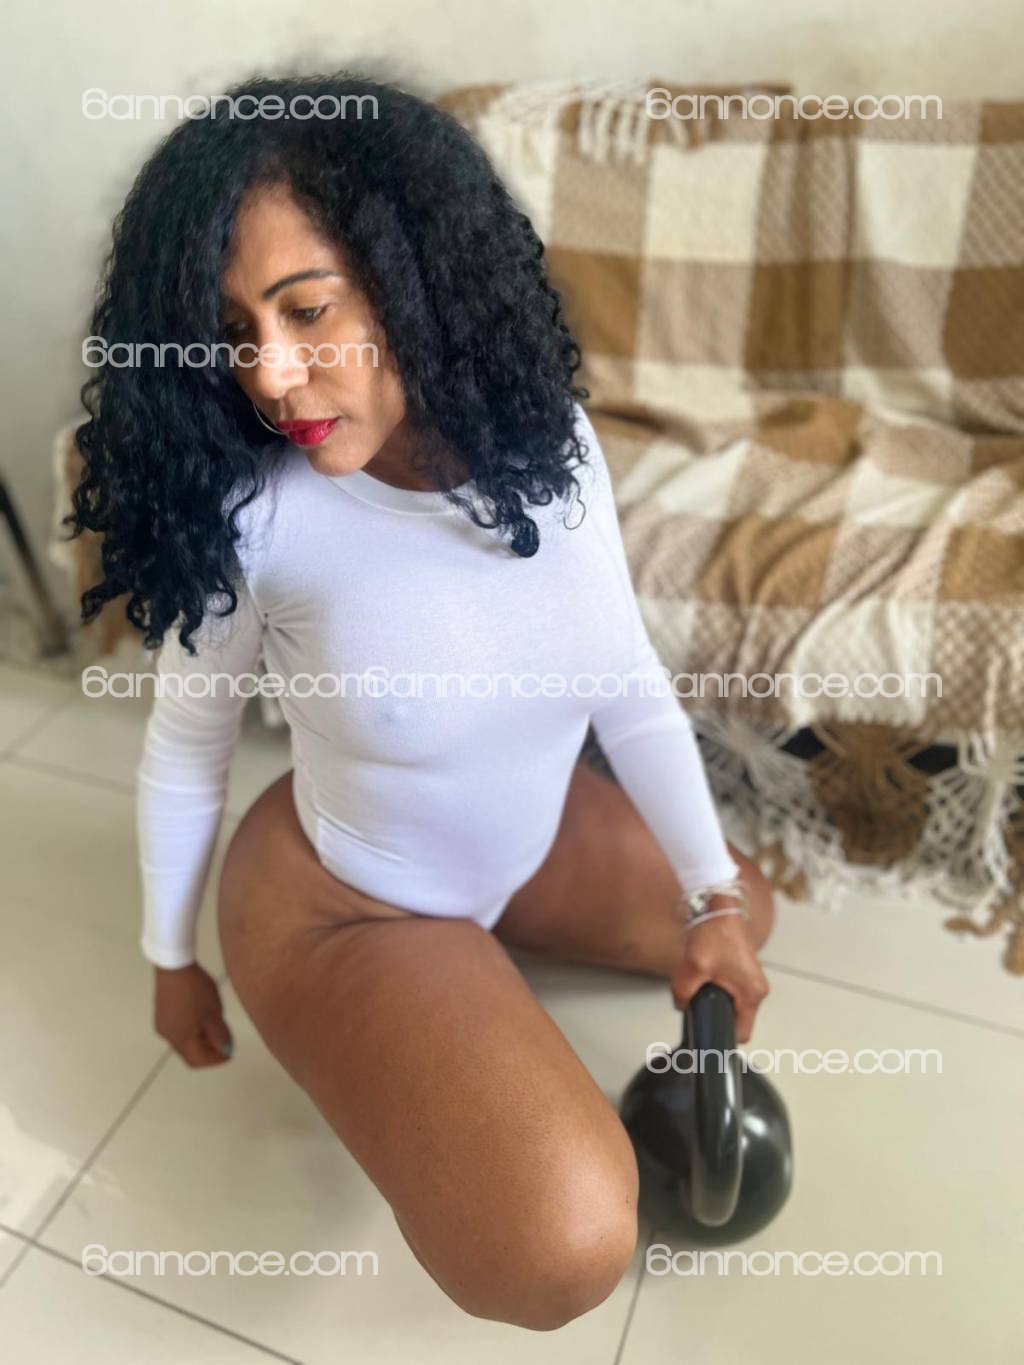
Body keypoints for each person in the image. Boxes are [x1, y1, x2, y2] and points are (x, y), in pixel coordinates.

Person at [68, 71, 774, 1331]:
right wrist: (169, 962)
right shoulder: (258, 518)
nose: (271, 375)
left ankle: (482, 982)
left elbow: (624, 688)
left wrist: (709, 897)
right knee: (560, 1249)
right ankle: (430, 998)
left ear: (412, 277)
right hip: (346, 899)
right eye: (235, 332)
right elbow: (185, 751)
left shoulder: (549, 445)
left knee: (745, 906)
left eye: (306, 309)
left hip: (521, 833)